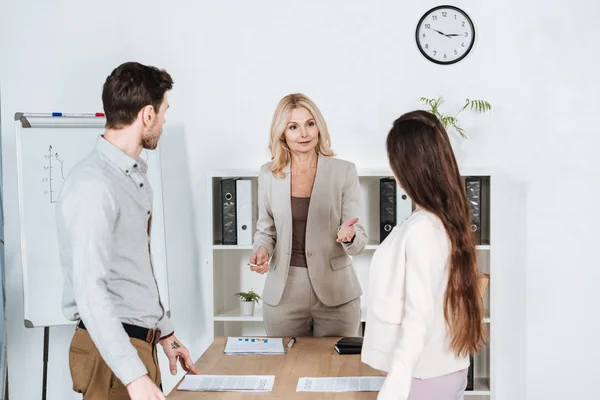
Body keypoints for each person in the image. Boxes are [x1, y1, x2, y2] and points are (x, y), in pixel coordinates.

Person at [56, 61, 199, 400]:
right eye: (163, 112)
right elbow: (89, 290)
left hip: (137, 343)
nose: (163, 121)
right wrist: (134, 376)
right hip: (112, 353)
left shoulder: (133, 178)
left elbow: (136, 270)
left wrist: (166, 334)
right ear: (147, 115)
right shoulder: (94, 185)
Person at [361, 110, 485, 400]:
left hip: (422, 378)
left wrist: (394, 388)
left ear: (409, 166)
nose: (391, 167)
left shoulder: (423, 229)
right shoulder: (440, 220)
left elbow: (419, 317)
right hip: (436, 372)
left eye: (393, 159)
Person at [249, 93, 367, 337]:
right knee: (285, 372)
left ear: (319, 127)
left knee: (338, 373)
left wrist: (350, 236)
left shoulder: (344, 171)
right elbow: (266, 231)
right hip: (284, 292)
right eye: (293, 127)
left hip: (336, 293)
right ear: (282, 133)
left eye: (310, 124)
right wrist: (261, 249)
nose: (304, 134)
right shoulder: (268, 174)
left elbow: (359, 242)